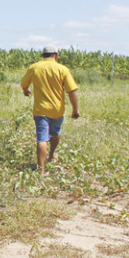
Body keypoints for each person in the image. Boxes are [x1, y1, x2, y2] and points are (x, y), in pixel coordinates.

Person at [20, 45, 80, 174]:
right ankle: (51, 155)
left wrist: (26, 90)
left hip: (40, 110)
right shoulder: (63, 69)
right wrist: (75, 109)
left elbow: (24, 84)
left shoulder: (34, 68)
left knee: (42, 138)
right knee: (56, 133)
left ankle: (41, 170)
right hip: (57, 109)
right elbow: (72, 91)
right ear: (56, 55)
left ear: (42, 56)